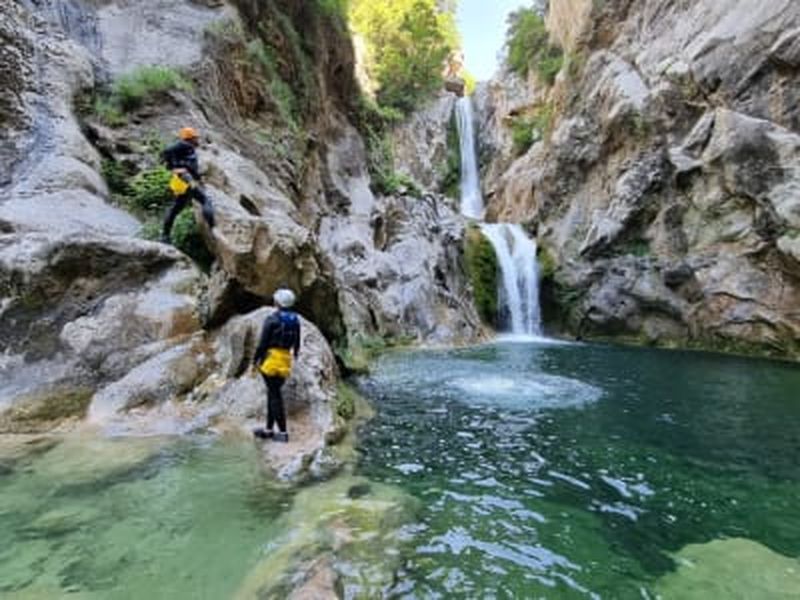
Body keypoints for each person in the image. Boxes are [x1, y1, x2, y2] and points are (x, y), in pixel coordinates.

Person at [252, 289, 301, 442]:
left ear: (277, 303)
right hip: (285, 359)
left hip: (271, 360)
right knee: (273, 393)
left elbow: (262, 344)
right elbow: (297, 344)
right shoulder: (295, 320)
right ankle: (268, 429)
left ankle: (283, 433)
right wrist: (295, 355)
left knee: (274, 396)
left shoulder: (271, 319)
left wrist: (255, 360)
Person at [160, 127, 215, 244]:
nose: (197, 140)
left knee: (175, 209)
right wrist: (196, 177)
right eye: (196, 138)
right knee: (205, 200)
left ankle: (165, 236)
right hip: (186, 179)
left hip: (179, 180)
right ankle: (212, 226)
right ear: (191, 138)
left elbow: (170, 156)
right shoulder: (186, 146)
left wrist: (172, 165)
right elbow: (190, 166)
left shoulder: (182, 147)